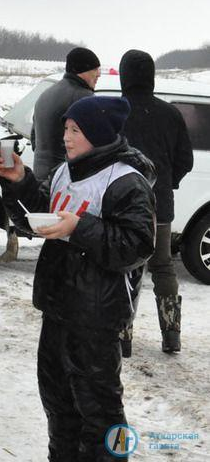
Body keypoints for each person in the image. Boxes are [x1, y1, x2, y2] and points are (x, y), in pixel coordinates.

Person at [0, 95, 156, 462]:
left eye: (75, 131)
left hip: (96, 317)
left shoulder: (126, 181)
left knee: (101, 411)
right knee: (58, 404)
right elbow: (36, 215)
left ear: (99, 133)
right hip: (57, 308)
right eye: (66, 129)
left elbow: (136, 245)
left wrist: (80, 227)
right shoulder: (65, 170)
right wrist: (20, 182)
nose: (66, 137)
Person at [119, 49, 193, 355]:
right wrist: (167, 182)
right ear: (151, 76)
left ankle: (122, 336)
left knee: (124, 266)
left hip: (122, 205)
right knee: (163, 266)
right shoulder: (170, 113)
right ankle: (171, 334)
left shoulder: (116, 111)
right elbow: (185, 160)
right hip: (160, 206)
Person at [31, 47, 101, 180]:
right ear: (82, 70)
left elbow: (34, 138)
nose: (99, 74)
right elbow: (98, 143)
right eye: (95, 69)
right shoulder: (83, 97)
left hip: (40, 177)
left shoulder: (45, 94)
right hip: (66, 179)